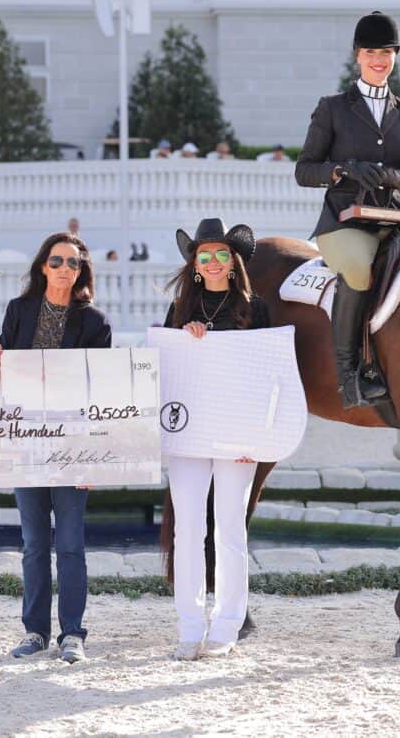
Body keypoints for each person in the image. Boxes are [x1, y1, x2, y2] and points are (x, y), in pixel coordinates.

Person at [295, 10, 400, 409]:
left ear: (395, 56)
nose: (378, 59)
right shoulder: (332, 108)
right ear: (358, 56)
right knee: (357, 267)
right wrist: (342, 170)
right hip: (344, 222)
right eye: (370, 51)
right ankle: (349, 371)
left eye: (386, 52)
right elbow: (304, 170)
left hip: (395, 218)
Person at [0, 232, 112, 664]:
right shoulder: (19, 311)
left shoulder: (95, 323)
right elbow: (5, 370)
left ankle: (72, 634)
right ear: (43, 267)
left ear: (81, 272)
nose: (64, 269)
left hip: (73, 444)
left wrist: (96, 455)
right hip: (24, 443)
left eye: (73, 263)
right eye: (57, 261)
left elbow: (100, 393)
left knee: (71, 543)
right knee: (34, 545)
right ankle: (35, 631)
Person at [163, 218, 269, 661]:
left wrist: (260, 435)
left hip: (237, 430)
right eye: (203, 256)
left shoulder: (254, 308)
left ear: (233, 261)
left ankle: (226, 625)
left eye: (221, 254)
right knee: (188, 527)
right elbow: (166, 366)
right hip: (190, 430)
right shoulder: (178, 309)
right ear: (194, 264)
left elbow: (269, 373)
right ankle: (190, 625)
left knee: (230, 528)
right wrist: (185, 341)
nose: (212, 263)